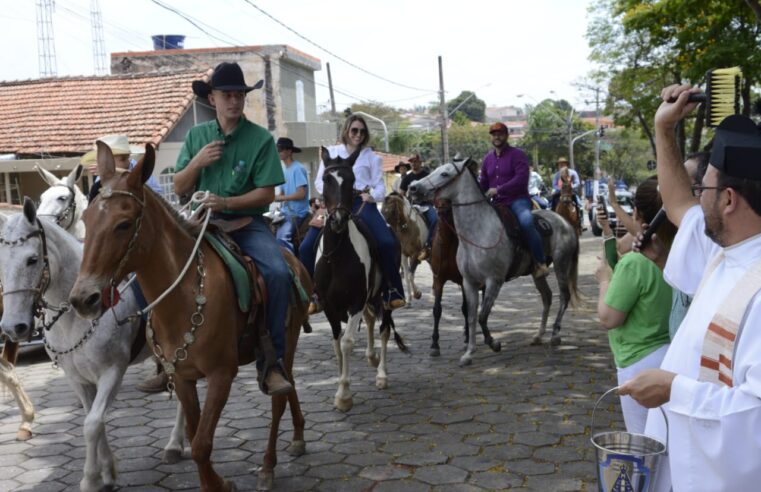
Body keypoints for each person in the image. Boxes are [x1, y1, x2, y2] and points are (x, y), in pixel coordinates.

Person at [619, 84, 761, 491]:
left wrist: (673, 388)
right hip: (682, 463)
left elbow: (755, 416)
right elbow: (678, 202)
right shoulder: (724, 250)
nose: (697, 200)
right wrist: (665, 130)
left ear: (729, 200)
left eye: (706, 189)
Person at [173, 61, 292, 396]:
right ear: (212, 99)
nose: (234, 101)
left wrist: (225, 203)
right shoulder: (196, 136)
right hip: (199, 225)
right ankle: (162, 358)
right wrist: (197, 162)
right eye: (227, 94)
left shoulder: (260, 139)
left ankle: (272, 363)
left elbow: (267, 193)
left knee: (278, 274)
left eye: (239, 94)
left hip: (245, 224)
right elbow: (180, 186)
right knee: (149, 274)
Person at [300, 114, 406, 313]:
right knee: (306, 246)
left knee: (386, 242)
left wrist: (372, 196)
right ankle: (311, 294)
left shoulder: (372, 157)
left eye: (362, 131)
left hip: (361, 203)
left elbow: (380, 186)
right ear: (346, 131)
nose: (358, 134)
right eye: (354, 130)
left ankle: (393, 290)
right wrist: (329, 198)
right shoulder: (331, 152)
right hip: (332, 203)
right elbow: (318, 181)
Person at [595, 176, 675, 434]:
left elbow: (609, 318)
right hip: (670, 353)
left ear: (637, 212)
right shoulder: (678, 249)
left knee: (643, 441)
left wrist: (605, 281)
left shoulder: (635, 263)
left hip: (638, 360)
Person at [480, 122, 549, 278]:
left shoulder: (518, 155)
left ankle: (540, 262)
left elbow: (521, 179)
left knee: (526, 222)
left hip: (517, 200)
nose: (496, 136)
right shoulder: (487, 159)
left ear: (506, 136)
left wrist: (498, 189)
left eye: (500, 133)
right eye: (494, 134)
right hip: (497, 203)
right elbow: (483, 182)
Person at [81, 134, 163, 202]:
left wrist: (115, 171)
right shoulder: (100, 178)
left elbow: (158, 195)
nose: (127, 162)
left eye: (125, 158)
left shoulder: (138, 168)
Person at [273, 137, 310, 254]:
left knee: (281, 239)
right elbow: (282, 194)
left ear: (290, 151)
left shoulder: (297, 168)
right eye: (277, 149)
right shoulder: (283, 170)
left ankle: (290, 268)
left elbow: (301, 194)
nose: (278, 152)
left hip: (297, 213)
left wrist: (281, 198)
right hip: (284, 211)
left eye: (281, 150)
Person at [399, 153, 438, 261]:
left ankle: (429, 244)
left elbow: (434, 191)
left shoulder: (428, 175)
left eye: (415, 161)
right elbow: (401, 194)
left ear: (420, 162)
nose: (413, 164)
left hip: (426, 204)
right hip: (411, 205)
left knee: (435, 219)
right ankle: (402, 245)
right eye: (411, 162)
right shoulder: (406, 178)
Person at [550, 157, 584, 225]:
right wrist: (561, 189)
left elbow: (577, 183)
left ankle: (580, 220)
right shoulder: (557, 175)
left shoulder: (573, 173)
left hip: (571, 192)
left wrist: (570, 187)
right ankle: (553, 219)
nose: (561, 165)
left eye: (563, 164)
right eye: (560, 164)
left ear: (566, 165)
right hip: (560, 192)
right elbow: (554, 185)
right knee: (552, 202)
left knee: (578, 204)